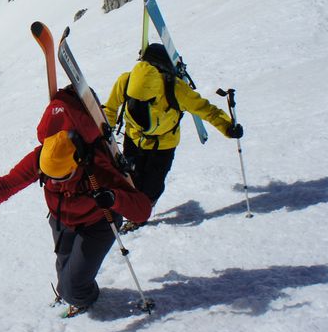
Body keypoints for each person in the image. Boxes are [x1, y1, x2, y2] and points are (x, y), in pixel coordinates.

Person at [0, 85, 152, 317]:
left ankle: (84, 297)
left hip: (98, 224)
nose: (55, 183)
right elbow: (8, 184)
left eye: (62, 177)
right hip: (61, 221)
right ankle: (71, 291)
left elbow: (142, 209)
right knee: (64, 274)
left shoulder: (96, 166)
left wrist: (114, 198)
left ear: (76, 163)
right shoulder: (42, 156)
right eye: (50, 178)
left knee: (72, 286)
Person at [104, 44, 243, 225]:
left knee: (150, 186)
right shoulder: (128, 81)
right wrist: (104, 132)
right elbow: (111, 108)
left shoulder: (174, 89)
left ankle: (140, 214)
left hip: (159, 143)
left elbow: (206, 110)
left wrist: (227, 127)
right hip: (142, 139)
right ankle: (134, 211)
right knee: (133, 181)